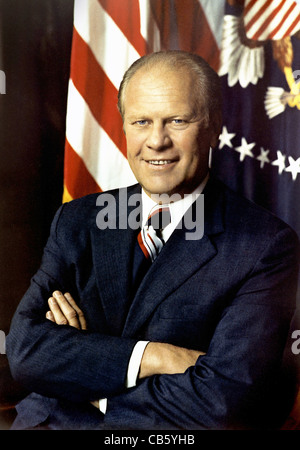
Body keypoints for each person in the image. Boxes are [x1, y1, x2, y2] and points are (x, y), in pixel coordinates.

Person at [6, 50, 300, 430]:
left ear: (214, 126)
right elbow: (25, 351)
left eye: (177, 120)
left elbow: (223, 401)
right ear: (124, 129)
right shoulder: (78, 220)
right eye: (141, 121)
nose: (156, 141)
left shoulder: (265, 246)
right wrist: (155, 357)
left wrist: (86, 377)